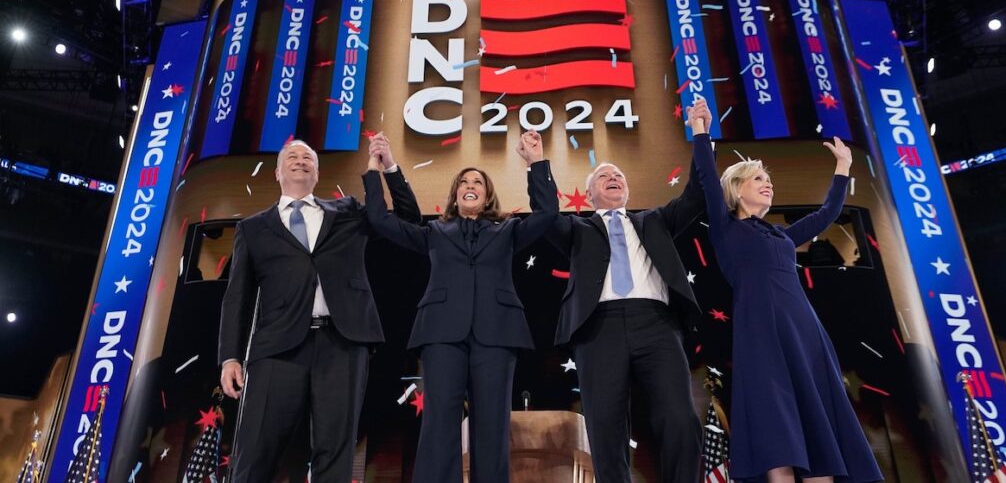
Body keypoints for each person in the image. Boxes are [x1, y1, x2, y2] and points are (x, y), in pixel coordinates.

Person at [687, 98, 883, 483]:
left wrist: (843, 168)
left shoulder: (781, 235)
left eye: (769, 180)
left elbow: (825, 215)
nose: (768, 184)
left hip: (804, 331)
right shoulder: (727, 229)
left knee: (815, 413)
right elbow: (709, 179)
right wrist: (700, 129)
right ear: (737, 189)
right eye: (759, 179)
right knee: (773, 416)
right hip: (760, 333)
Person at [218, 136, 421, 482]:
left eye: (308, 157)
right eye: (292, 156)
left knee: (335, 450)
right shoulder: (252, 229)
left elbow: (408, 218)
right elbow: (237, 296)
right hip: (276, 350)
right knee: (255, 451)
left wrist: (387, 167)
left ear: (317, 172)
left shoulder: (349, 212)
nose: (300, 160)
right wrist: (229, 357)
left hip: (342, 344)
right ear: (278, 173)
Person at [361, 130, 557, 483]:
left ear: (486, 196)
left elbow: (547, 214)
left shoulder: (508, 230)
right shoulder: (434, 232)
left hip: (497, 334)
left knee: (493, 423)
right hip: (441, 334)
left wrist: (535, 162)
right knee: (439, 422)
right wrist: (379, 170)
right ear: (455, 194)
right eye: (464, 181)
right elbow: (382, 221)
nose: (471, 185)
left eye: (478, 182)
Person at [546, 115, 707, 482]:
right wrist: (537, 163)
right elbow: (545, 213)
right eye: (603, 176)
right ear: (589, 195)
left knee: (680, 419)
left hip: (657, 324)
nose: (613, 177)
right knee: (605, 428)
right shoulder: (577, 229)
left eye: (618, 174)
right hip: (598, 328)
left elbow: (696, 194)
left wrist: (700, 133)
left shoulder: (655, 221)